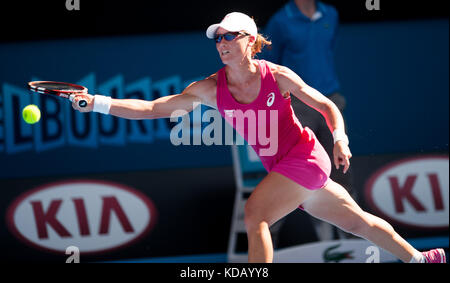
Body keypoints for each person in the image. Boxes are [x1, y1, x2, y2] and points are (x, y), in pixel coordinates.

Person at [71, 12, 446, 263]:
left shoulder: (278, 75)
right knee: (359, 223)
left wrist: (341, 139)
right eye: (217, 38)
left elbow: (326, 107)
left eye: (229, 36)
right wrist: (98, 103)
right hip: (287, 168)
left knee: (256, 215)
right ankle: (419, 259)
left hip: (307, 157)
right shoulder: (207, 89)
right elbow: (153, 109)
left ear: (250, 40)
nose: (221, 43)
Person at [262, 0, 352, 241]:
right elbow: (274, 65)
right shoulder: (281, 20)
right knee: (294, 172)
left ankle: (351, 247)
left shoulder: (330, 13)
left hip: (330, 97)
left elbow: (327, 48)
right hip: (298, 105)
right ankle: (267, 243)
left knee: (341, 172)